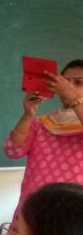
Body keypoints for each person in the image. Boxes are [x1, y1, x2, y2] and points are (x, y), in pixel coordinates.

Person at [5, 59, 83, 213]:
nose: (68, 87)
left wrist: (75, 99)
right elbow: (13, 151)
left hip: (73, 215)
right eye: (65, 82)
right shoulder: (43, 123)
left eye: (78, 82)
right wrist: (28, 115)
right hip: (35, 208)